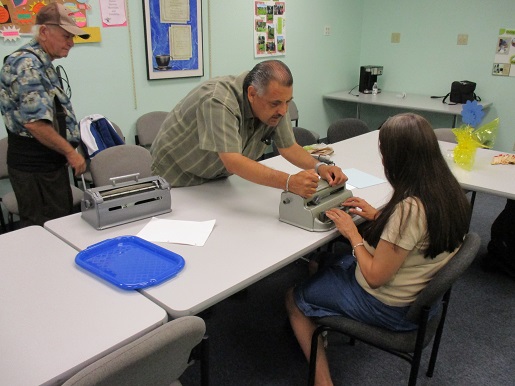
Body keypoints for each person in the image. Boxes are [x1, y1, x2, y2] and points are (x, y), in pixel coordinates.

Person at [285, 113, 471, 386]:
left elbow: (374, 276)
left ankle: (322, 381)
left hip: (391, 308)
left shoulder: (409, 210)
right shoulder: (449, 190)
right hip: (419, 297)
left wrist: (352, 233)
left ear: (397, 159)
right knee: (323, 263)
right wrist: (377, 217)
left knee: (293, 296)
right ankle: (321, 318)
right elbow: (420, 237)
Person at [151, 60, 346, 198]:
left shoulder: (272, 99)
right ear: (252, 94)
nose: (283, 110)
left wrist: (320, 167)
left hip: (215, 179)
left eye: (288, 102)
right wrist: (289, 182)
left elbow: (288, 147)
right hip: (177, 177)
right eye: (276, 103)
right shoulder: (218, 101)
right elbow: (233, 162)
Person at [0, 3, 89, 228]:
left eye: (73, 37)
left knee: (60, 225)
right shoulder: (27, 64)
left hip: (48, 164)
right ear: (43, 32)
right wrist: (71, 152)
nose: (71, 42)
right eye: (66, 35)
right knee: (44, 231)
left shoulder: (42, 62)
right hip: (35, 168)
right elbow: (35, 124)